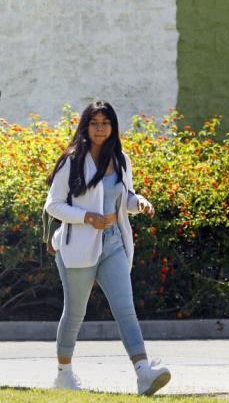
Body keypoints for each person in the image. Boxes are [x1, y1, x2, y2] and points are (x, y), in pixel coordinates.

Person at [44, 101, 171, 395]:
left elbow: (123, 196)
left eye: (106, 123)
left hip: (113, 243)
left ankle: (143, 373)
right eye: (94, 122)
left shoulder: (121, 159)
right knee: (75, 312)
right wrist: (87, 217)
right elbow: (54, 204)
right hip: (78, 245)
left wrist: (138, 202)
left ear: (113, 127)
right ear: (86, 126)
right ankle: (64, 374)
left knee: (125, 308)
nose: (100, 128)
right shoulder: (72, 160)